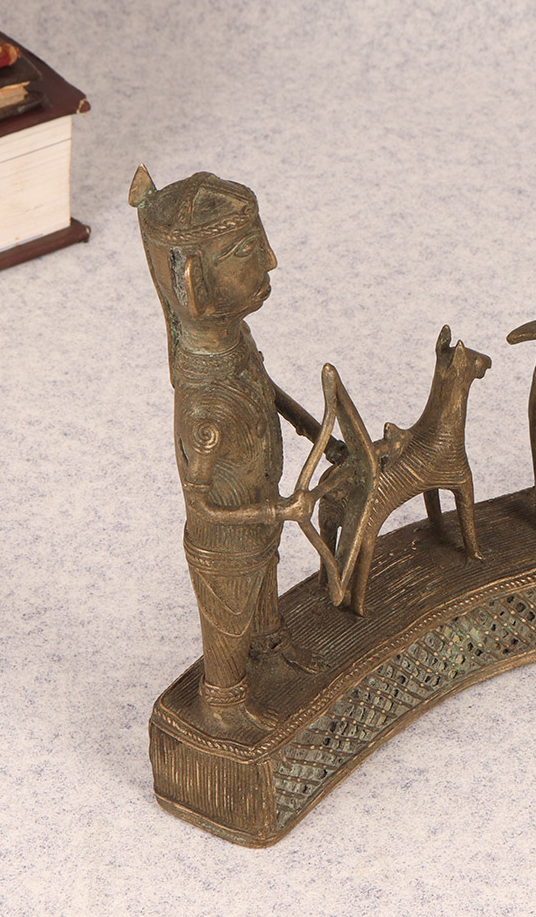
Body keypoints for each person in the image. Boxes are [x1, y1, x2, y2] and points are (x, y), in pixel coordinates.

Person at [130, 166, 337, 735]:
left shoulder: (234, 342)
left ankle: (271, 645)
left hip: (260, 513)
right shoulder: (202, 401)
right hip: (225, 543)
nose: (270, 260)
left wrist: (310, 428)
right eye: (247, 250)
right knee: (229, 614)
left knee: (265, 580)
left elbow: (264, 388)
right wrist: (279, 509)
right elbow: (202, 508)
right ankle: (223, 700)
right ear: (193, 282)